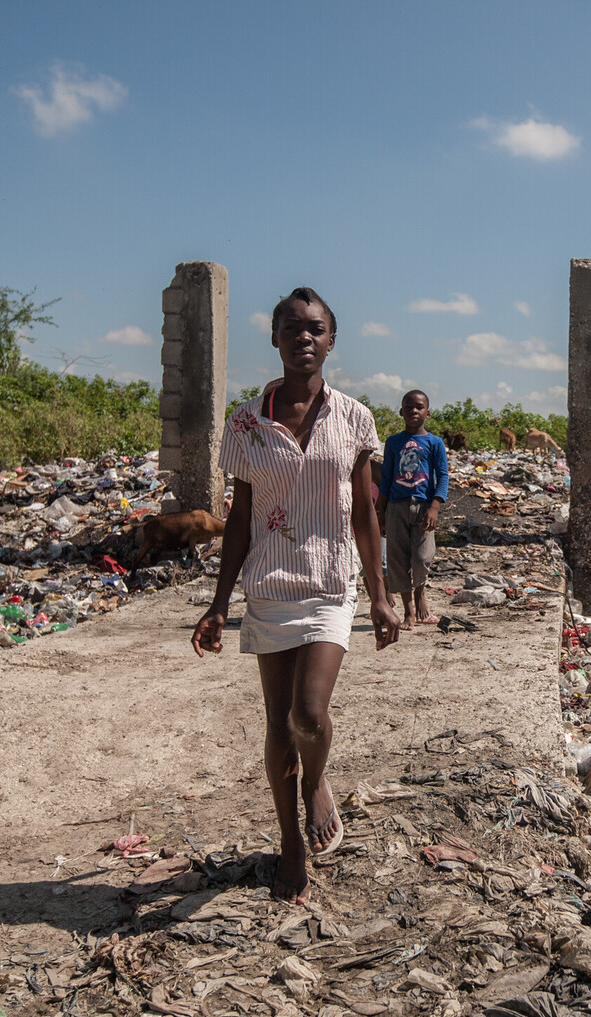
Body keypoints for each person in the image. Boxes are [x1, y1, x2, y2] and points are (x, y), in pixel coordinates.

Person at [191, 286, 400, 904]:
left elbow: (365, 510)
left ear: (331, 342)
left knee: (309, 716)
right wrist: (218, 601)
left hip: (332, 584)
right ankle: (288, 844)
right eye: (292, 328)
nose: (303, 337)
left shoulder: (355, 418)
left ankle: (317, 783)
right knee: (277, 727)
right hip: (269, 586)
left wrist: (382, 595)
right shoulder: (246, 425)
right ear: (276, 338)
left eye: (316, 329)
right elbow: (240, 517)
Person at [376, 390, 448, 628]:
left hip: (424, 507)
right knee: (397, 560)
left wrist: (435, 506)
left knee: (422, 556)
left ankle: (420, 593)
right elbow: (386, 478)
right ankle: (409, 611)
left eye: (419, 407)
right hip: (396, 506)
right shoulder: (394, 442)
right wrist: (381, 512)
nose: (413, 411)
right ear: (401, 412)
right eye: (408, 407)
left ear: (428, 412)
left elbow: (443, 476)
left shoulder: (435, 443)